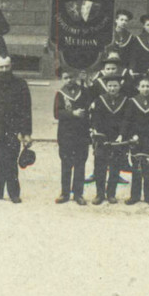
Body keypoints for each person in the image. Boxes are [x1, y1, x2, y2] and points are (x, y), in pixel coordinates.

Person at [0, 55, 32, 204]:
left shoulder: (20, 84)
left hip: (13, 131)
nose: (4, 70)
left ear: (11, 66)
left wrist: (26, 133)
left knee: (11, 161)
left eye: (6, 67)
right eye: (1, 67)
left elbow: (25, 110)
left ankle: (14, 193)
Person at [124, 76, 149, 208]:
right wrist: (131, 135)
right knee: (136, 167)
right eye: (142, 86)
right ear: (138, 88)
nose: (145, 89)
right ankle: (134, 196)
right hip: (137, 139)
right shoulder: (132, 101)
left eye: (148, 86)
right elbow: (128, 120)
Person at [89, 74, 130, 205]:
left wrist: (122, 135)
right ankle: (99, 194)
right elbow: (95, 117)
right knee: (100, 166)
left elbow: (126, 119)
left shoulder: (125, 100)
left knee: (115, 166)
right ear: (106, 86)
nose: (113, 88)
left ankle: (111, 193)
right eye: (110, 86)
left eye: (115, 86)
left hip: (117, 137)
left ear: (120, 86)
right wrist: (97, 131)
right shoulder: (100, 100)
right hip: (102, 137)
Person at [52, 76, 90, 205]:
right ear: (62, 79)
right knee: (66, 164)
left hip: (81, 134)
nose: (69, 80)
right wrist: (73, 113)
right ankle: (65, 193)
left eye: (72, 76)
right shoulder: (60, 94)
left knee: (80, 164)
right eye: (66, 77)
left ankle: (78, 194)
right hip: (66, 134)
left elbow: (89, 109)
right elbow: (57, 113)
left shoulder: (84, 92)